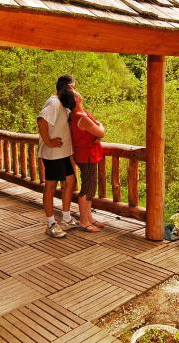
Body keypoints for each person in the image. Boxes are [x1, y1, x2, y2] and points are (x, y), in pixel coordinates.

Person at [37, 75, 78, 238]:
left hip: (63, 153)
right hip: (53, 155)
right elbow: (41, 120)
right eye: (72, 88)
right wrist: (48, 141)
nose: (74, 91)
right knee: (51, 187)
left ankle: (66, 218)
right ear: (63, 88)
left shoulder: (63, 104)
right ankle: (50, 224)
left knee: (70, 181)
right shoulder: (54, 102)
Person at [61, 88, 106, 232]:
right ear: (76, 99)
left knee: (90, 187)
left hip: (84, 154)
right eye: (76, 93)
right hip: (87, 156)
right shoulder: (81, 117)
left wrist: (95, 132)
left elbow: (93, 132)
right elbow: (101, 132)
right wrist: (99, 126)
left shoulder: (77, 114)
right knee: (87, 188)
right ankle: (84, 221)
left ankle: (89, 217)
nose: (79, 92)